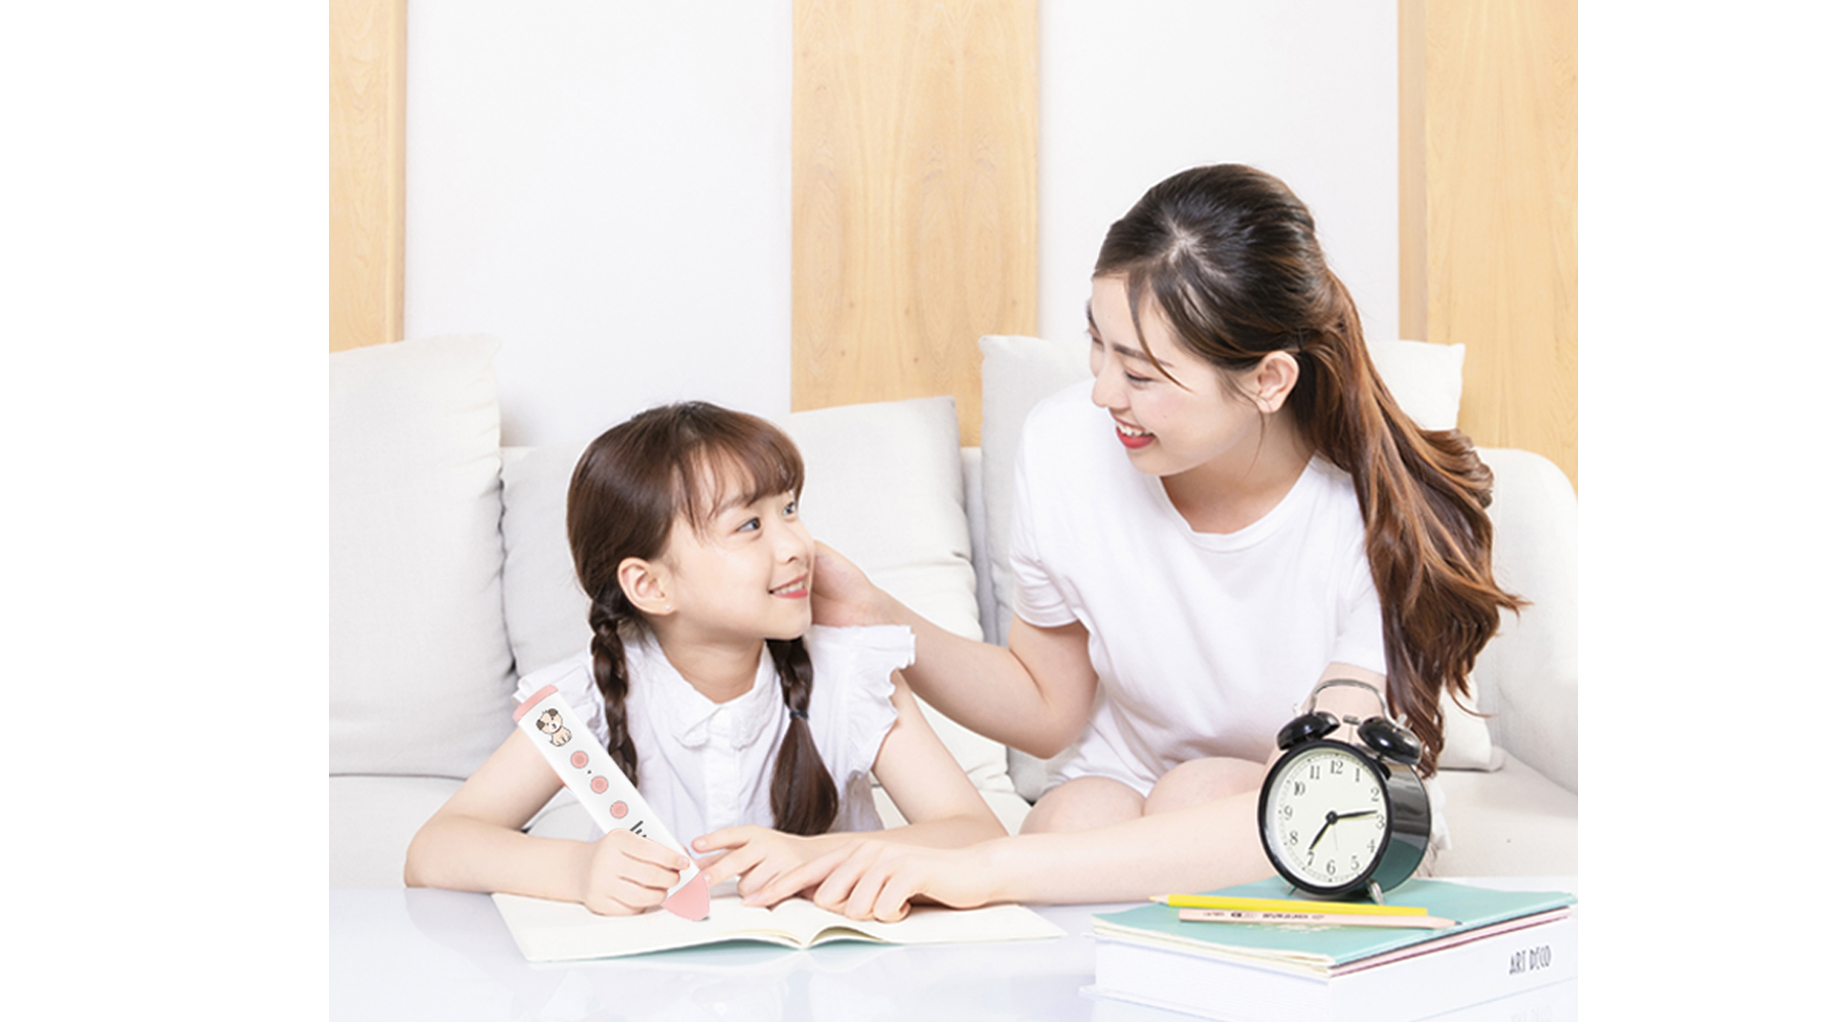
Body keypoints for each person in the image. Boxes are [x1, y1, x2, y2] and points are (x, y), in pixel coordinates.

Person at [780, 163, 1521, 921]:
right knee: (1079, 813)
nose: (1104, 392)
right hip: (1123, 786)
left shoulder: (1379, 516)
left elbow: (1313, 802)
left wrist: (988, 867)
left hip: (1324, 807)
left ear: (1269, 380)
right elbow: (1047, 706)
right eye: (1097, 344)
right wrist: (878, 614)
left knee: (1196, 793)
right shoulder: (1066, 443)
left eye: (1141, 373)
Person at [404, 402, 1005, 915]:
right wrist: (578, 871)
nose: (795, 545)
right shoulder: (584, 698)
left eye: (789, 509)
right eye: (750, 525)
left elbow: (978, 836)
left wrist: (813, 856)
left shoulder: (852, 674)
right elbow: (434, 849)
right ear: (650, 586)